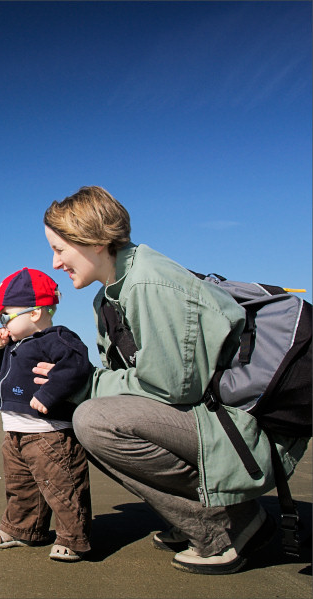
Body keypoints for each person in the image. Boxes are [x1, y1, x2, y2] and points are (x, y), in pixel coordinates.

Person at [38, 185, 309, 574]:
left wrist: (82, 383)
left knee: (94, 420)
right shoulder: (108, 298)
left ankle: (229, 528)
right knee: (90, 411)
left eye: (60, 249)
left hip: (245, 432)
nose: (54, 262)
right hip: (211, 421)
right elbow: (126, 380)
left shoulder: (149, 282)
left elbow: (172, 387)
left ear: (94, 240)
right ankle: (201, 517)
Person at [0, 267, 94, 562]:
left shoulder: (57, 339)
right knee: (21, 485)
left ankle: (73, 536)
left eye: (6, 315)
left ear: (34, 313)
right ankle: (23, 528)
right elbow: (4, 369)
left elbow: (77, 367)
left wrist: (48, 393)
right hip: (15, 430)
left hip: (50, 432)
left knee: (63, 485)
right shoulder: (16, 345)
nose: (3, 322)